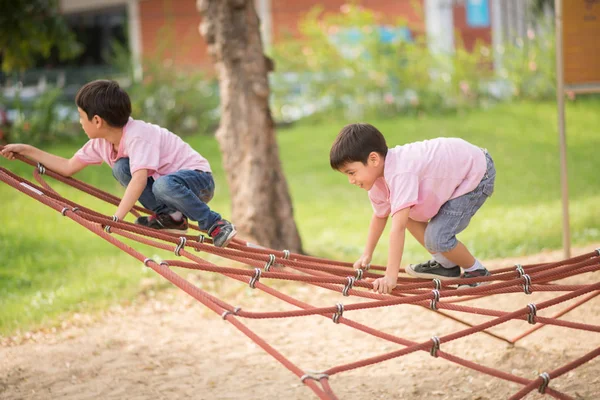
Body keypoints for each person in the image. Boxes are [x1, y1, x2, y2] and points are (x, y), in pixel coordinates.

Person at [0, 79, 236, 247]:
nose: (80, 122)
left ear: (97, 120)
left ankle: (216, 224)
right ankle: (172, 217)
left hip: (198, 181)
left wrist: (117, 218)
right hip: (169, 188)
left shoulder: (138, 135)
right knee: (121, 167)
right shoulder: (102, 143)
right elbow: (67, 167)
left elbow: (141, 178)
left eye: (81, 117)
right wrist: (27, 149)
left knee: (160, 183)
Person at [329, 123, 495, 294]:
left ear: (373, 159)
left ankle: (477, 271)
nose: (350, 180)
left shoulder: (400, 172)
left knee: (438, 237)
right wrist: (367, 254)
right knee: (404, 213)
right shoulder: (377, 181)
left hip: (476, 172)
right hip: (455, 170)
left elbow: (397, 228)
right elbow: (380, 216)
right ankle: (446, 265)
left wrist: (390, 277)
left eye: (351, 172)